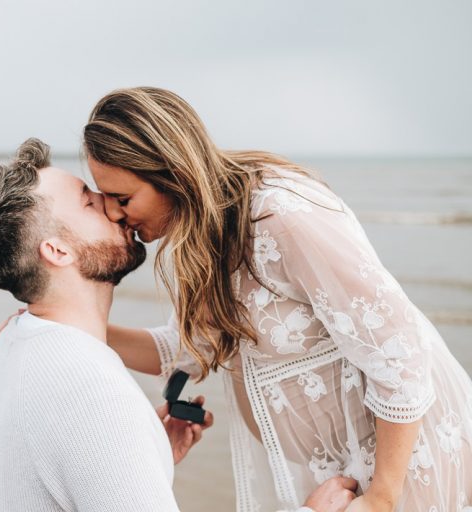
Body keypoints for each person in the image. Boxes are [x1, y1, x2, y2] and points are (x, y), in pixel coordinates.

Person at [81, 87, 472, 511]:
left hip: (401, 467)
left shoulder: (278, 217)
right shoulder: (205, 237)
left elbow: (398, 349)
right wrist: (68, 325)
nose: (116, 214)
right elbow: (183, 350)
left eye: (123, 199)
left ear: (173, 174)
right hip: (339, 474)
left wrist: (382, 497)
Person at [0, 138, 357, 512]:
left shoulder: (9, 348)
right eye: (88, 202)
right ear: (58, 250)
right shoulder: (92, 388)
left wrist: (147, 460)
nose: (111, 206)